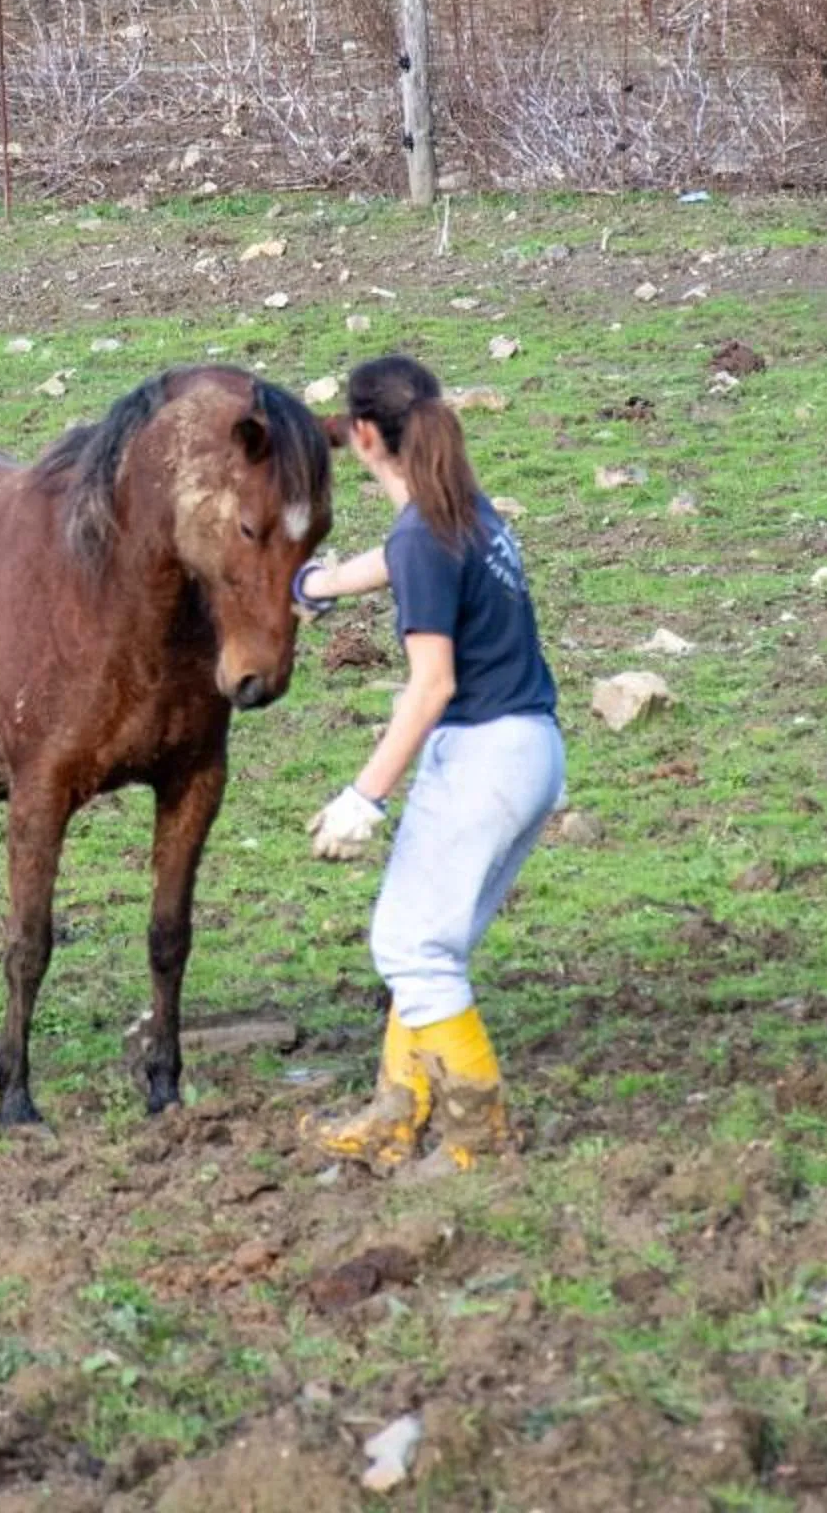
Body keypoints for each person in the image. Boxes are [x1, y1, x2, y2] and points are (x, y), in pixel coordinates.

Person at [290, 354, 564, 1174]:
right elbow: (403, 556)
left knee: (413, 949)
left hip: (484, 754)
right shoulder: (463, 508)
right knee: (425, 945)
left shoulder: (423, 533)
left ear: (365, 435)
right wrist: (323, 583)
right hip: (532, 750)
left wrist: (363, 797)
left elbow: (431, 684)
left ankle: (480, 1139)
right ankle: (394, 1114)